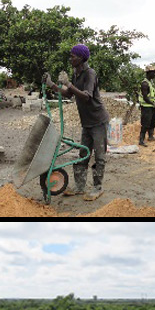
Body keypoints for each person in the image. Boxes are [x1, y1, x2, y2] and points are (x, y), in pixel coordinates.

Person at [45, 43, 109, 201]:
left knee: (99, 156)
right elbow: (68, 94)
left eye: (73, 56)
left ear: (81, 58)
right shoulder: (76, 73)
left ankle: (97, 188)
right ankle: (80, 187)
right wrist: (52, 85)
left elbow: (87, 96)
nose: (70, 58)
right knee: (83, 154)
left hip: (98, 120)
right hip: (86, 122)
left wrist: (69, 84)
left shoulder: (90, 73)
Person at [138, 65, 155, 146]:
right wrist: (154, 104)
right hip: (146, 107)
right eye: (154, 73)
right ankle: (141, 140)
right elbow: (145, 98)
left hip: (151, 107)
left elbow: (152, 96)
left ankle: (151, 136)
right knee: (145, 123)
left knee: (153, 122)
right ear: (149, 73)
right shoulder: (144, 84)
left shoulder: (150, 83)